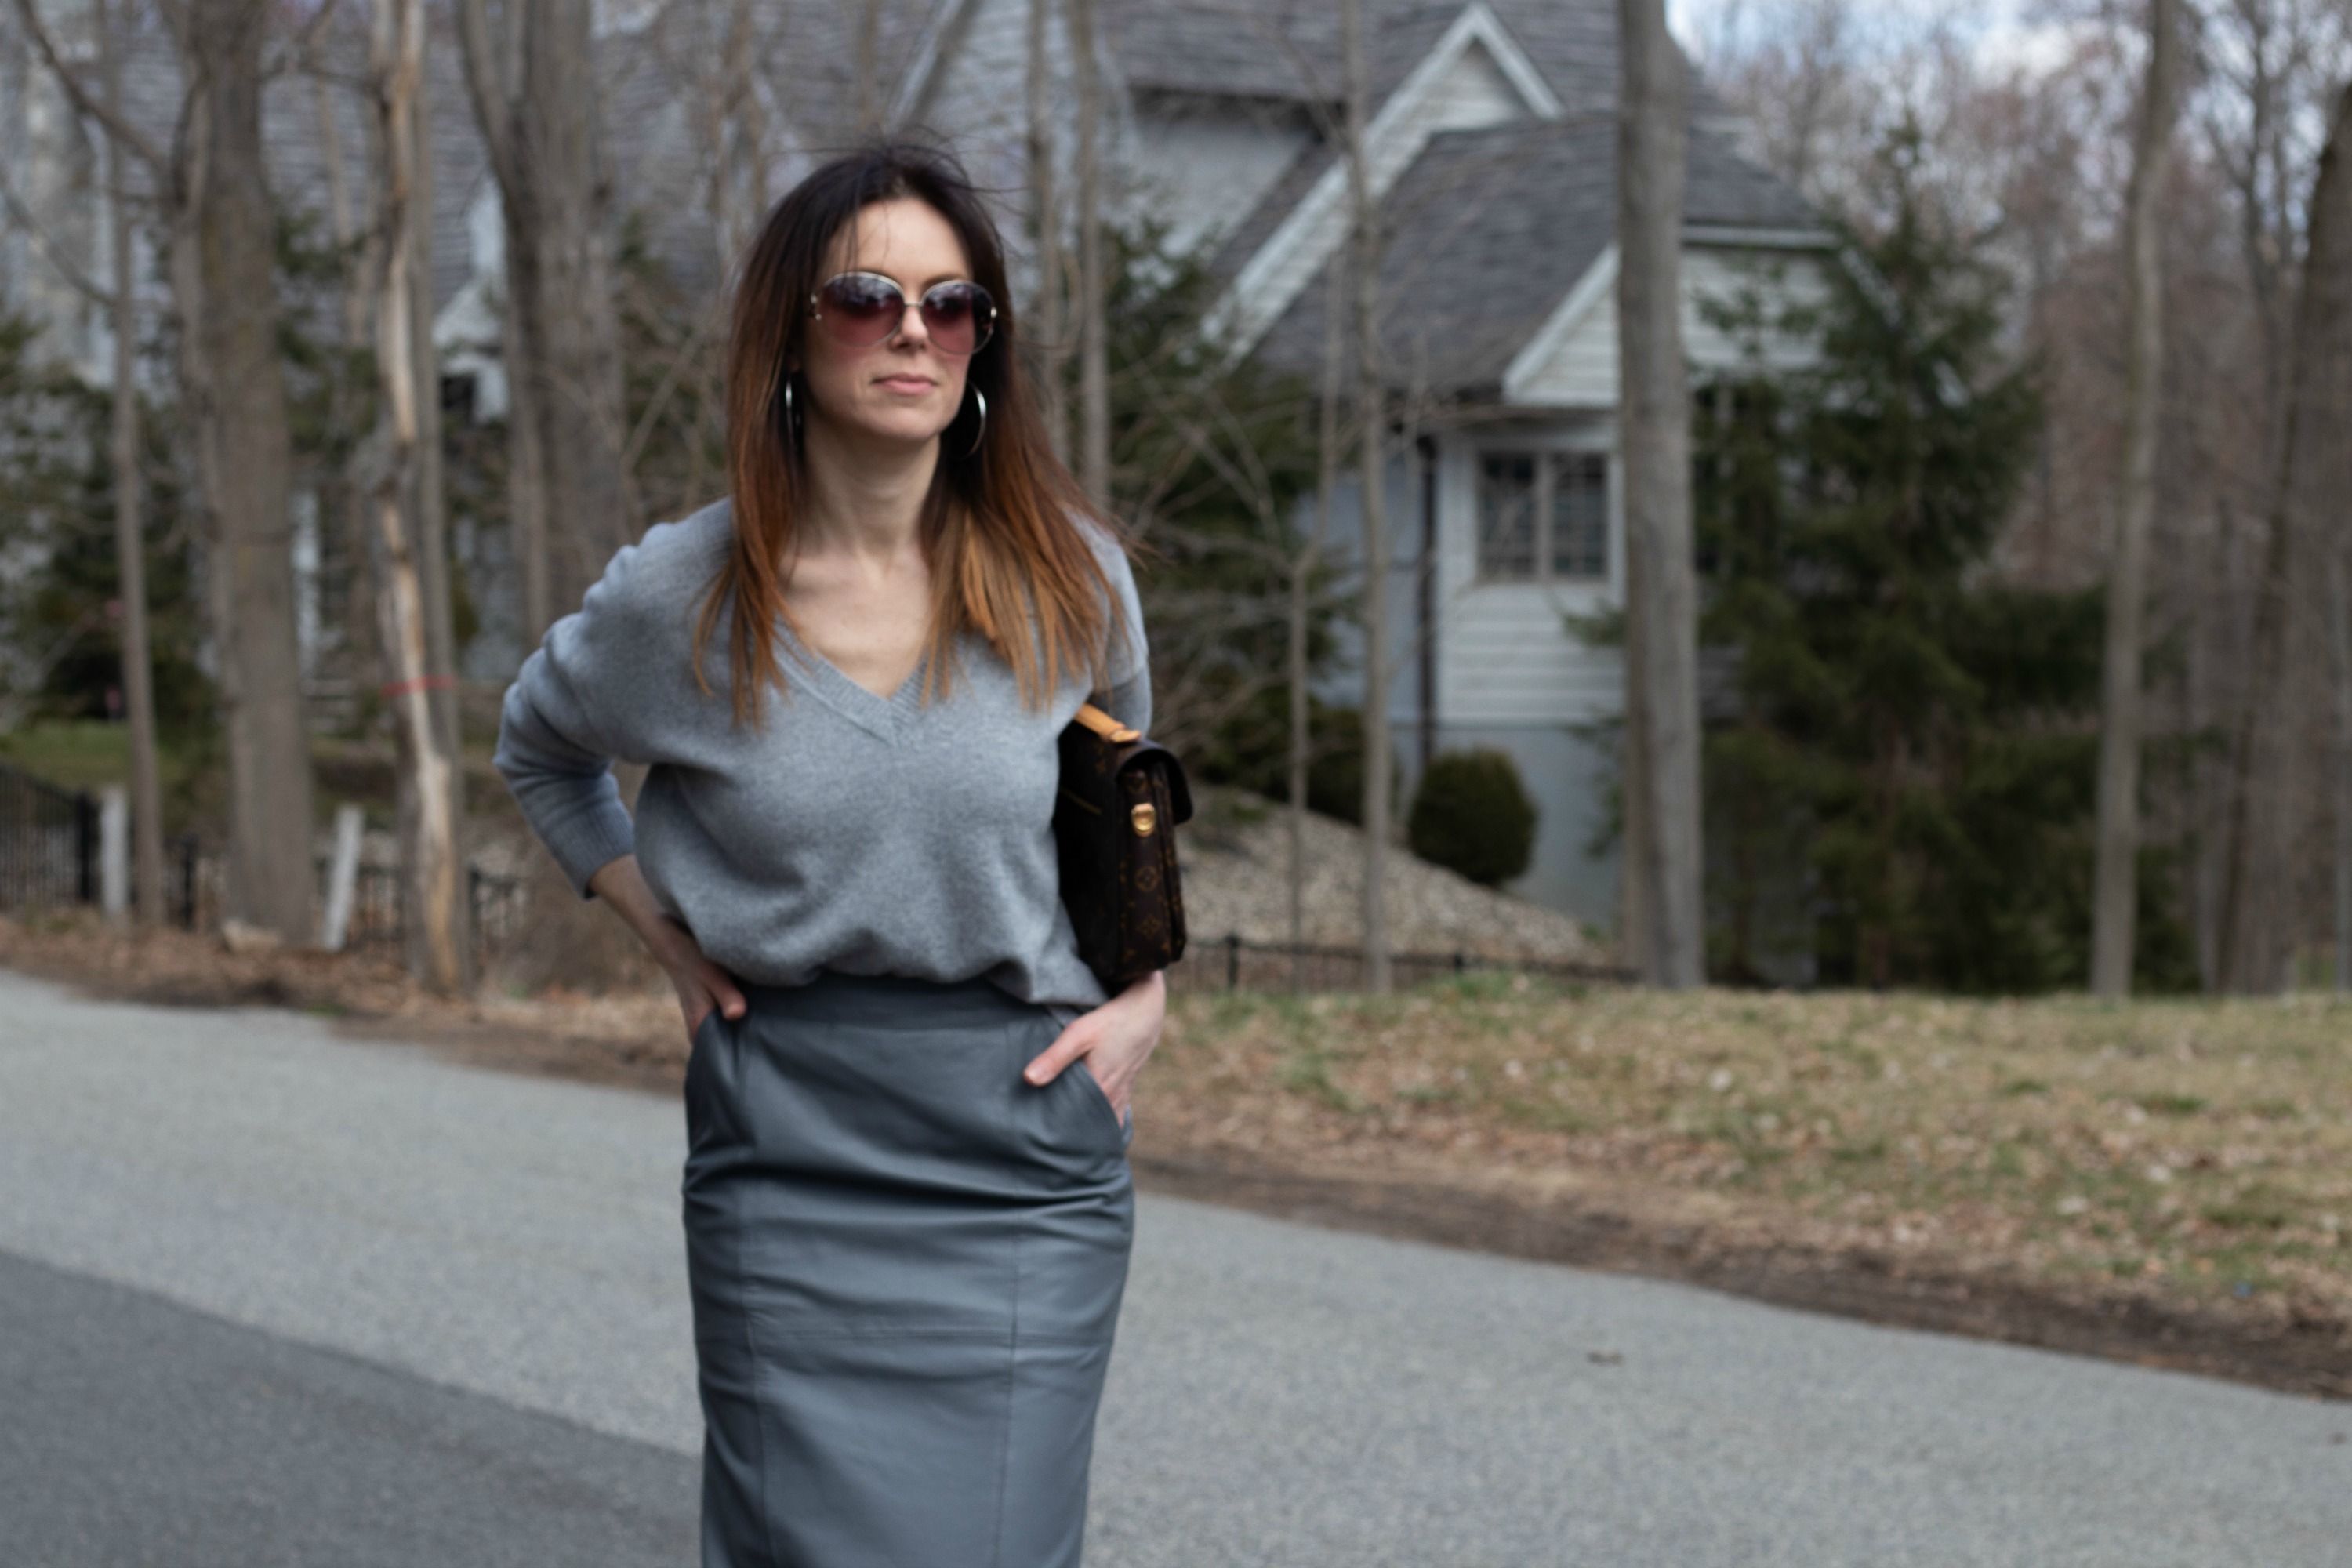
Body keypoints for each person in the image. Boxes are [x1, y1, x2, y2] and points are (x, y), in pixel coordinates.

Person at [494, 143, 1163, 1567]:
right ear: (792, 334)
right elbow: (540, 748)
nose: (913, 331)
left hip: (1022, 1154)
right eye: (867, 299)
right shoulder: (682, 598)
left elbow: (1127, 818)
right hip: (787, 1148)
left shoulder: (1073, 578)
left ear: (985, 344)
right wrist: (656, 927)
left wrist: (1146, 993)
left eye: (953, 304)